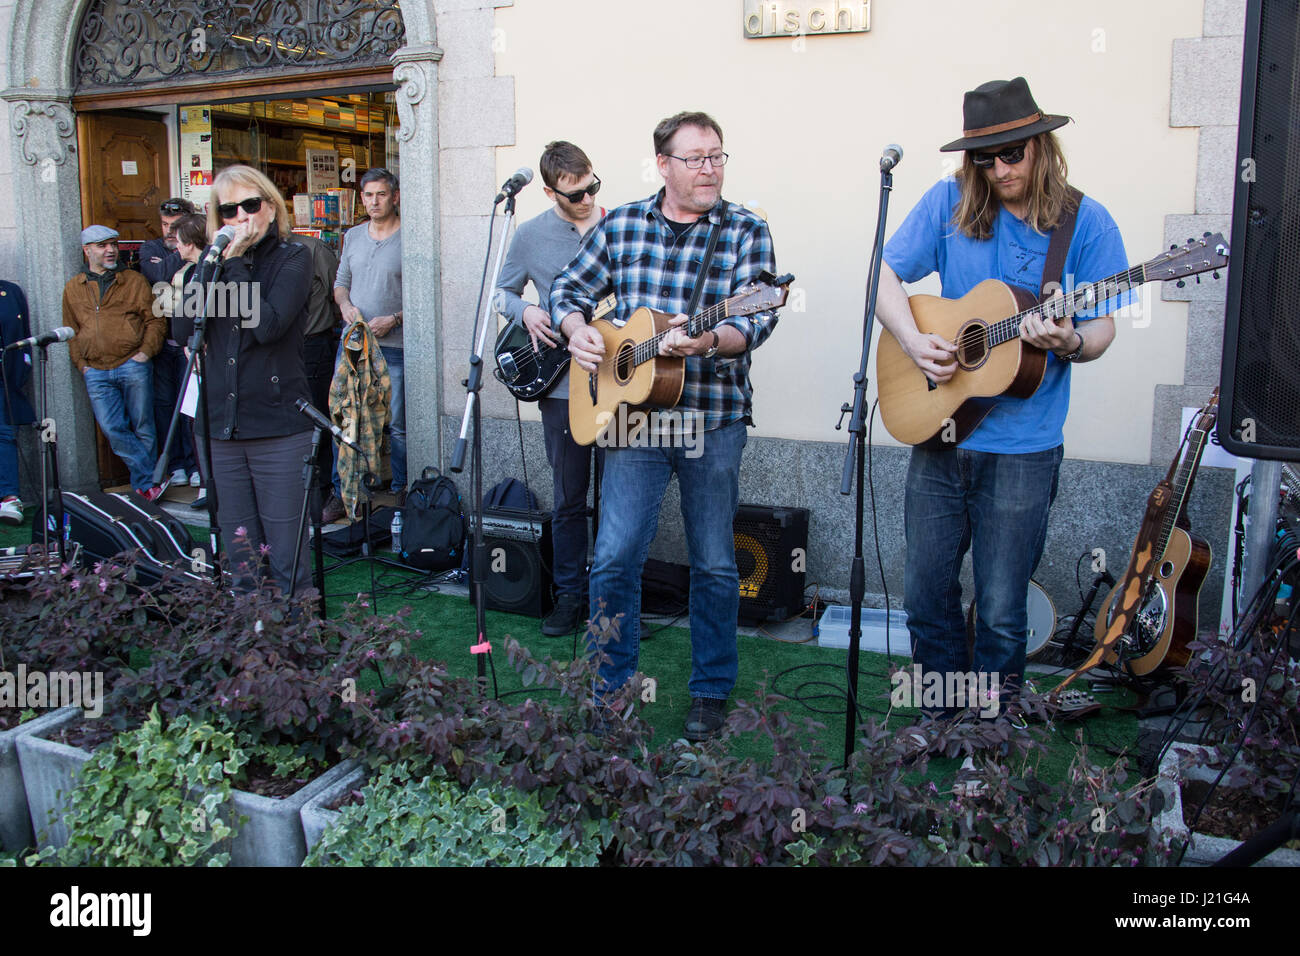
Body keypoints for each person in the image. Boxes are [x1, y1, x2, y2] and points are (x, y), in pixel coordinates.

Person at [875, 77, 1130, 717]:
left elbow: (1103, 327)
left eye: (1012, 154)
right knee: (925, 594)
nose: (998, 169)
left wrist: (1069, 341)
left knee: (999, 605)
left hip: (1024, 448)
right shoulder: (949, 201)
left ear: (1042, 147)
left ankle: (990, 735)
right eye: (984, 158)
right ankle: (941, 715)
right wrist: (909, 337)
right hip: (941, 430)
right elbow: (880, 270)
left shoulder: (1085, 221)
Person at [551, 111, 779, 741]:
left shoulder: (745, 231)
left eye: (717, 156)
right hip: (631, 418)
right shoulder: (620, 224)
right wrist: (579, 334)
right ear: (663, 165)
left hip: (713, 418)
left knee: (713, 563)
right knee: (615, 556)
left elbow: (755, 319)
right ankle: (610, 693)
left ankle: (709, 693)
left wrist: (708, 340)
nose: (710, 168)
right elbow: (567, 290)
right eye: (695, 158)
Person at [172, 165, 314, 593]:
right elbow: (181, 331)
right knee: (240, 552)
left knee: (286, 552)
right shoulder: (213, 263)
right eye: (228, 209)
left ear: (270, 207)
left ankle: (295, 644)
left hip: (276, 426)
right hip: (219, 426)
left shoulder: (294, 257)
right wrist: (206, 268)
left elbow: (267, 325)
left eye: (250, 205)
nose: (240, 217)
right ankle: (250, 643)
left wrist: (233, 266)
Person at [496, 140, 606, 637]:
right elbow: (502, 291)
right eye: (573, 194)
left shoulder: (622, 225)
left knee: (623, 498)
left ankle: (612, 602)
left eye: (591, 189)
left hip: (623, 378)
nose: (585, 200)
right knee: (568, 497)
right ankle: (569, 598)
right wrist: (528, 311)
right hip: (561, 387)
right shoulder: (530, 234)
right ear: (548, 192)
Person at [62, 225, 167, 500]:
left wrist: (145, 351)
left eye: (113, 244)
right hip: (95, 369)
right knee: (112, 428)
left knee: (143, 425)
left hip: (133, 363)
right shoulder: (74, 287)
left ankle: (144, 488)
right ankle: (151, 479)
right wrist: (80, 363)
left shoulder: (134, 280)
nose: (110, 250)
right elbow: (70, 330)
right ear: (87, 251)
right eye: (101, 246)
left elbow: (155, 319)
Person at [323, 167, 403, 523]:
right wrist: (345, 305)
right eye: (367, 195)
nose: (373, 201)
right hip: (354, 344)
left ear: (394, 197)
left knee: (396, 424)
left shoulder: (410, 237)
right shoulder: (353, 236)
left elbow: (426, 294)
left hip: (396, 346)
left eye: (380, 194)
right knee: (347, 418)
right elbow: (341, 283)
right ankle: (346, 493)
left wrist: (395, 319)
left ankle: (402, 495)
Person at [141, 197, 201, 490]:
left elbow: (164, 272)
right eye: (165, 225)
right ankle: (175, 463)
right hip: (163, 339)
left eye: (177, 228)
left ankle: (194, 465)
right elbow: (158, 275)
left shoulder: (194, 255)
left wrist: (185, 249)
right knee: (165, 405)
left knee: (190, 406)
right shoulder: (149, 249)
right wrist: (185, 249)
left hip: (191, 342)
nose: (169, 233)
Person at [287, 231, 342, 518]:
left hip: (313, 345)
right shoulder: (250, 254)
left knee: (317, 419)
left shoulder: (313, 249)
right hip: (276, 350)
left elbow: (338, 294)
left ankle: (322, 494)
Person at [0, 279, 35, 525]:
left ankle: (9, 498)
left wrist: (22, 369)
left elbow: (22, 334)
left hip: (4, 379)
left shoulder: (9, 291)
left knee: (4, 433)